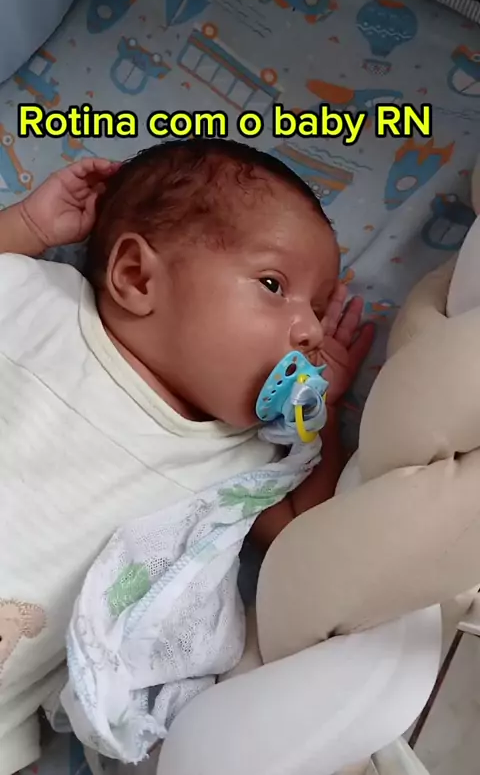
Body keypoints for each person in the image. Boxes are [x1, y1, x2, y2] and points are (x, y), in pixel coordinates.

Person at [0, 139, 373, 775]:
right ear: (137, 276)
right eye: (274, 285)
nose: (310, 330)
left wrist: (323, 418)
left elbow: (303, 538)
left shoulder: (240, 454)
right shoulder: (42, 303)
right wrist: (28, 228)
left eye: (315, 308)